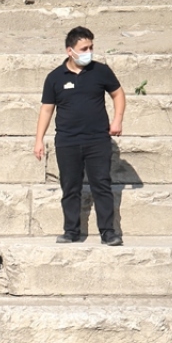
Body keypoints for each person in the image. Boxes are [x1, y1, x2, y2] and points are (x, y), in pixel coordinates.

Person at [34, 26, 127, 246]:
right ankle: (71, 231)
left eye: (91, 47)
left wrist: (117, 119)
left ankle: (108, 232)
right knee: (70, 186)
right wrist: (39, 140)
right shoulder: (55, 77)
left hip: (97, 140)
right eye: (84, 48)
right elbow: (46, 109)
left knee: (101, 185)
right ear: (70, 51)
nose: (89, 51)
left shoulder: (101, 71)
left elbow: (118, 94)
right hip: (67, 141)